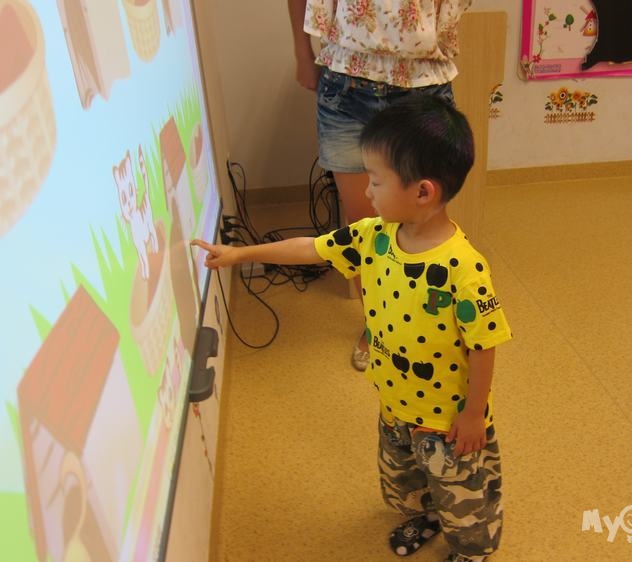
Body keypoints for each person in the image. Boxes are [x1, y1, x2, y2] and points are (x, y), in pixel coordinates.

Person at [192, 95, 512, 562]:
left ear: (423, 192)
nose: (367, 192)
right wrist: (242, 254)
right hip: (395, 403)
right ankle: (425, 515)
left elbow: (485, 344)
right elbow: (312, 248)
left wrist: (473, 414)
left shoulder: (464, 269)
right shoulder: (373, 236)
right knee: (405, 478)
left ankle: (471, 550)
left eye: (376, 181)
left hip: (448, 419)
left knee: (463, 494)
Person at [287, 0, 473, 371]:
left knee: (426, 223)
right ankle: (378, 324)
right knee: (364, 229)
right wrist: (302, 53)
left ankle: (430, 322)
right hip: (347, 82)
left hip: (423, 82)